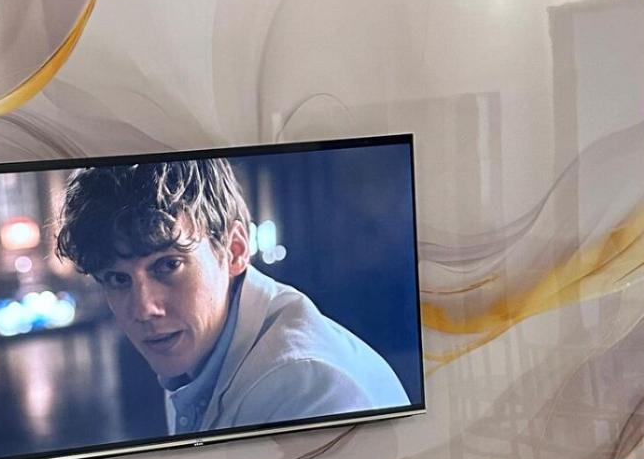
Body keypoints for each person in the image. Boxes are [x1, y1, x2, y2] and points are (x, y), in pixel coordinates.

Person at [54, 155, 410, 436]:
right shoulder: (196, 352)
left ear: (235, 250)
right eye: (118, 279)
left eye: (168, 265)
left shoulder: (305, 387)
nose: (144, 308)